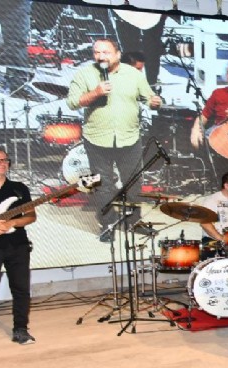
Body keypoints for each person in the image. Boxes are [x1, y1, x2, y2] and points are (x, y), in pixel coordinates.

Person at [67, 39, 162, 242]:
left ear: (118, 54)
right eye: (97, 52)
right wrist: (96, 93)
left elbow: (148, 98)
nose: (101, 56)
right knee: (103, 184)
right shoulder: (84, 74)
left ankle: (133, 221)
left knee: (134, 183)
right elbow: (72, 102)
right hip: (97, 139)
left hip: (129, 138)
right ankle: (107, 224)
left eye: (106, 52)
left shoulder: (133, 74)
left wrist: (155, 102)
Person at [0, 146, 37, 348]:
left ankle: (21, 329)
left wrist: (13, 222)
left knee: (21, 289)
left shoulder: (19, 188)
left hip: (18, 245)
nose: (3, 163)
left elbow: (31, 216)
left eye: (5, 160)